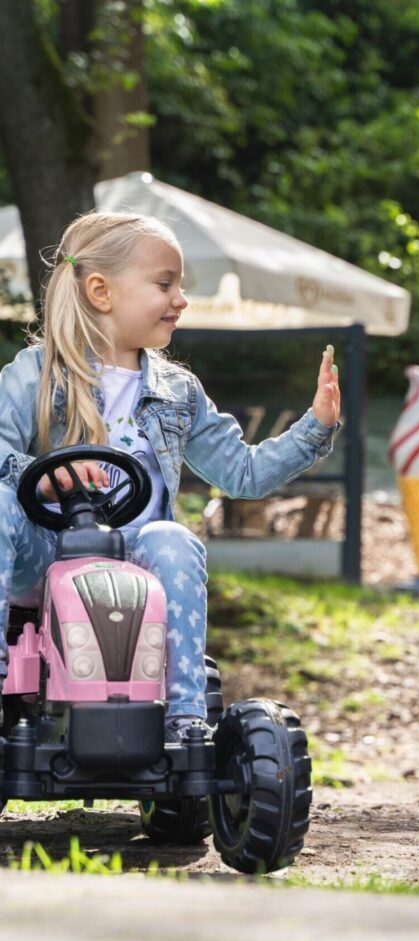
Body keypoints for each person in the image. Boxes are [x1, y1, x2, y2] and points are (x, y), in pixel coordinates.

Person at [0, 211, 341, 741]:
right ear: (101, 291)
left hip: (140, 561)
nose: (181, 299)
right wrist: (42, 478)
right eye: (165, 284)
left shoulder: (179, 392)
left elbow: (243, 474)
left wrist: (313, 427)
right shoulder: (35, 374)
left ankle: (185, 722)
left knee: (174, 537)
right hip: (45, 555)